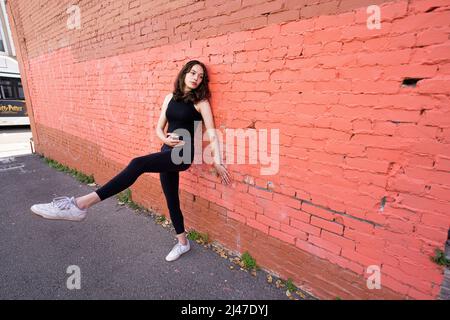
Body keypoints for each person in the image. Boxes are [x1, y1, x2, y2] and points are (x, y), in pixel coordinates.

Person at [30, 60, 232, 262]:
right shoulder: (169, 98)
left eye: (201, 76)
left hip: (183, 154)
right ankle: (183, 244)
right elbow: (159, 129)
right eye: (193, 73)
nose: (196, 78)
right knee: (171, 199)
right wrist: (165, 139)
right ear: (184, 73)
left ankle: (80, 205)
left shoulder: (200, 102)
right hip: (166, 150)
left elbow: (212, 134)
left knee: (138, 163)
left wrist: (217, 161)